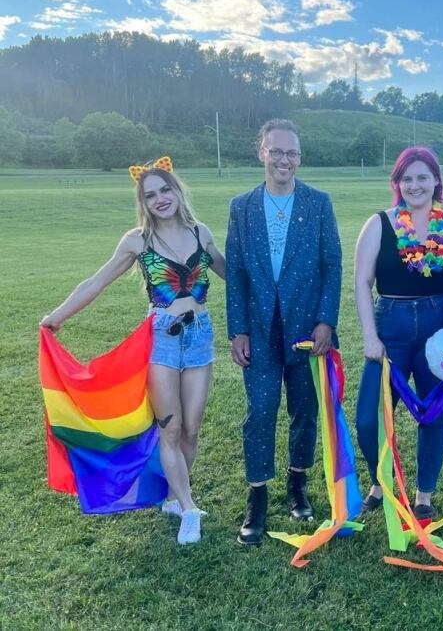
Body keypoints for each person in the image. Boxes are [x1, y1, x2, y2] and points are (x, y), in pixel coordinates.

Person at [40, 156, 226, 545]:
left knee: (191, 428)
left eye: (165, 190)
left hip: (200, 338)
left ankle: (176, 497)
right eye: (150, 195)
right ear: (143, 202)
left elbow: (237, 275)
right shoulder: (137, 241)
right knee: (170, 428)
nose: (160, 199)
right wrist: (56, 316)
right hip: (160, 338)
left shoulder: (200, 233)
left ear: (177, 191)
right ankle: (189, 508)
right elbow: (96, 281)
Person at [226, 119, 342, 546]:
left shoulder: (317, 203)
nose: (283, 160)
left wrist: (326, 321)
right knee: (260, 411)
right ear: (261, 152)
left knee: (305, 410)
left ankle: (297, 484)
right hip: (258, 330)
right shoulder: (241, 207)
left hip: (307, 331)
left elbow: (332, 265)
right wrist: (237, 328)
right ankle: (257, 496)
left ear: (300, 158)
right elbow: (235, 271)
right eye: (276, 151)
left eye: (291, 153)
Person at [353, 146, 443, 520]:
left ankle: (424, 495)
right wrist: (370, 336)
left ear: (436, 180)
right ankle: (379, 483)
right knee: (371, 415)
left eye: (422, 177)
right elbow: (361, 282)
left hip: (438, 324)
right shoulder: (380, 223)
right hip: (390, 322)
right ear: (397, 183)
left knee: (433, 414)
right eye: (407, 178)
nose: (415, 185)